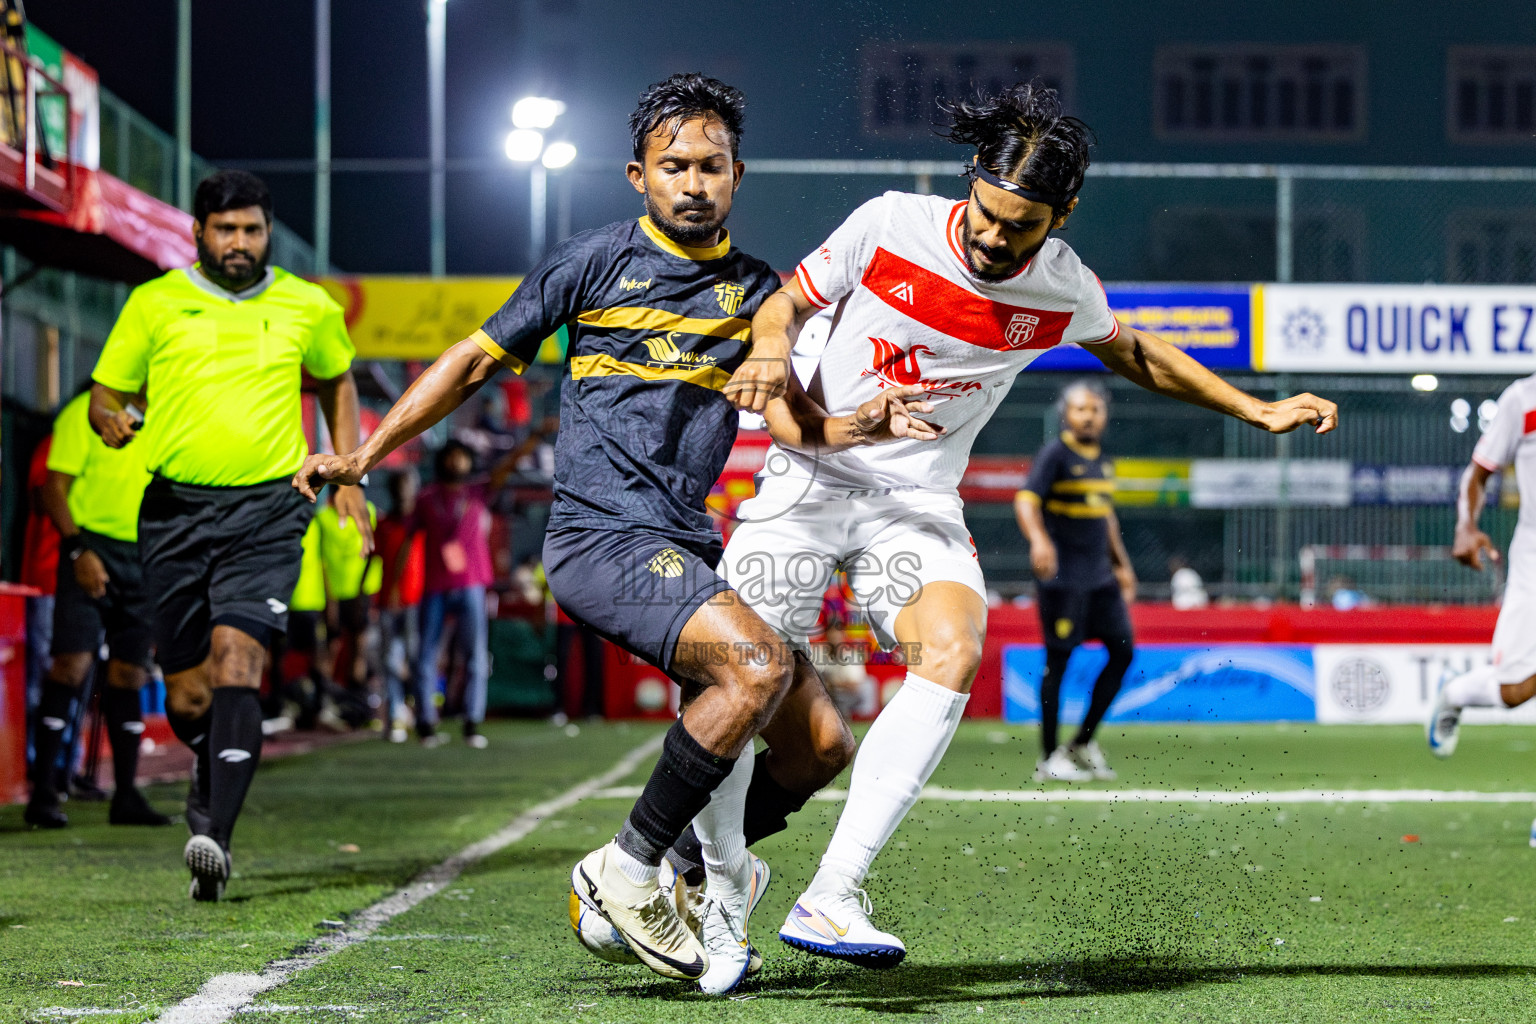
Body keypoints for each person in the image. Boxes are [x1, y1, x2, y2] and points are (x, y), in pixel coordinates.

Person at [293, 73, 932, 992]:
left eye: (711, 165)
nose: (693, 182)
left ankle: (693, 869)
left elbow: (791, 423)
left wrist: (859, 423)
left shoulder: (758, 292)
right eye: (674, 166)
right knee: (755, 668)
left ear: (738, 174)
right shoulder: (590, 263)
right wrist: (363, 453)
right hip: (600, 538)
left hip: (686, 545)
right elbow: (471, 362)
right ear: (639, 175)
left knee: (820, 744)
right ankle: (627, 869)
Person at [717, 80, 1338, 967]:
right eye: (988, 214)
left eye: (1023, 227)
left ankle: (833, 894)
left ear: (1062, 214)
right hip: (809, 477)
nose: (995, 239)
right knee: (735, 679)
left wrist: (1255, 407)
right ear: (972, 179)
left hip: (915, 502)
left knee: (953, 648)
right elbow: (787, 301)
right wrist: (772, 342)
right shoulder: (889, 223)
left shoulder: (1061, 284)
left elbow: (1134, 351)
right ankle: (699, 882)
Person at [89, 169, 365, 902]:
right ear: (198, 232)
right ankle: (212, 770)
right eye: (225, 229)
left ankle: (214, 834)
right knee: (187, 698)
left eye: (252, 229)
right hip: (174, 512)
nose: (239, 242)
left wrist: (350, 474)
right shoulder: (154, 303)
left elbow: (336, 380)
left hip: (270, 508)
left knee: (239, 659)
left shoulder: (308, 305)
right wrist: (108, 418)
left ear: (267, 232)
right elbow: (105, 393)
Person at [25, 389, 170, 828]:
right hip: (90, 549)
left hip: (144, 554)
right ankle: (43, 794)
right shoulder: (83, 413)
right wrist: (77, 549)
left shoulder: (169, 415)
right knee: (71, 666)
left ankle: (126, 796)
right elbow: (53, 488)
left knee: (130, 674)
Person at [1015, 379, 1137, 782]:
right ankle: (1049, 756)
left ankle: (1082, 742)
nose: (1088, 416)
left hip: (1100, 578)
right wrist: (1039, 541)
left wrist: (1122, 564)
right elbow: (1026, 500)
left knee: (1123, 652)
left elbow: (1106, 516)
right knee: (1059, 662)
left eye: (1095, 409)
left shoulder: (1102, 459)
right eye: (1080, 409)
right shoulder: (1055, 454)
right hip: (1063, 578)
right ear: (1066, 414)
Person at [1428, 373, 1536, 756]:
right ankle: (1455, 692)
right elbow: (1478, 475)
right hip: (1533, 558)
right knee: (1514, 690)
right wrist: (1466, 526)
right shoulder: (1522, 400)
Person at [375, 470, 426, 742]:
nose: (403, 491)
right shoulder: (384, 523)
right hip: (388, 601)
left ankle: (422, 715)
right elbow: (373, 558)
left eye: (408, 485)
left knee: (416, 659)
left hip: (416, 600)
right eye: (399, 485)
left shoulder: (421, 522)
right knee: (389, 661)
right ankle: (396, 714)